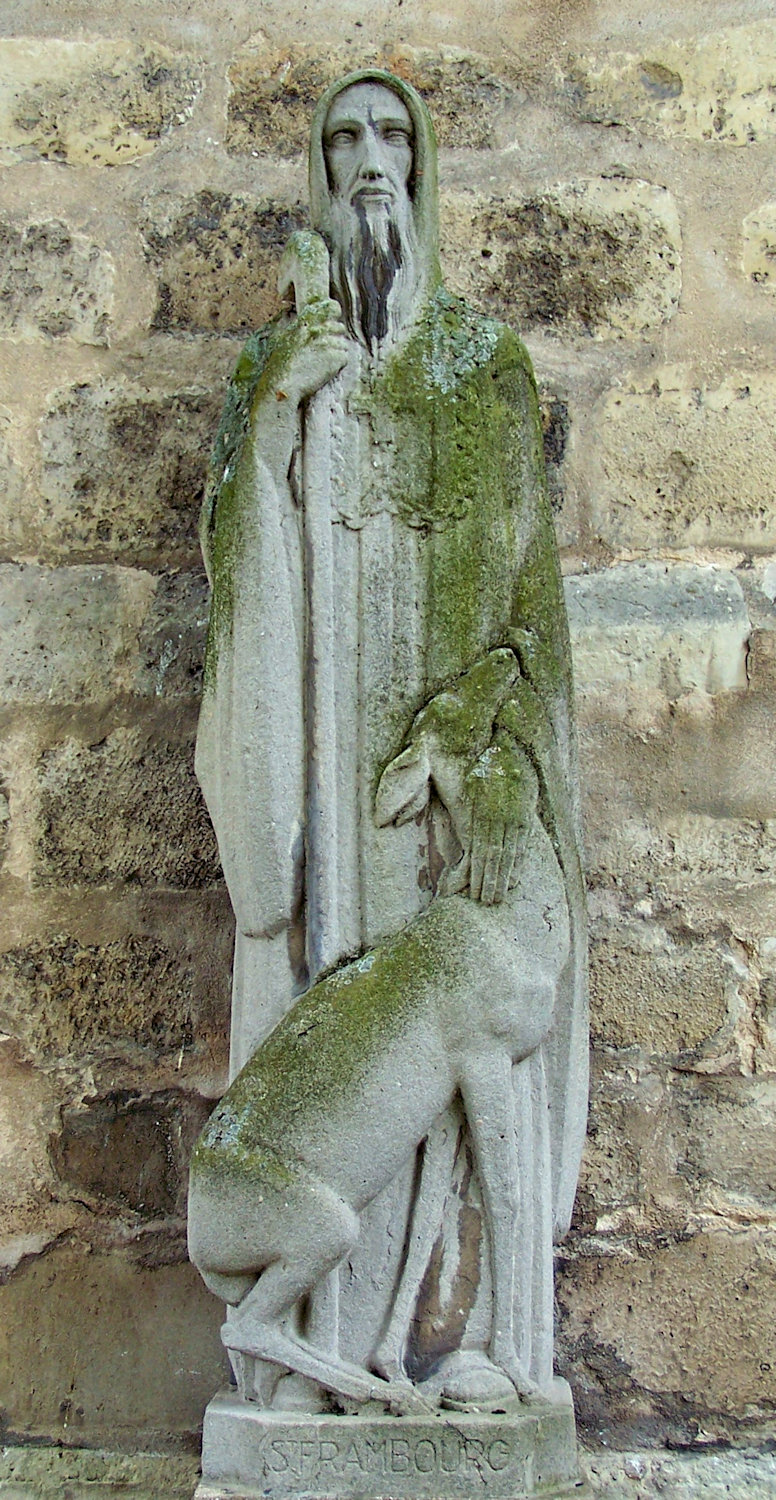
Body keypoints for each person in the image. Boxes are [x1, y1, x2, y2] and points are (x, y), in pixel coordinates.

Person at [190, 69, 587, 1411]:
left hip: (438, 788)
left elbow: (529, 615)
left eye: (392, 137)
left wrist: (470, 744)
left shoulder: (488, 367)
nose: (371, 162)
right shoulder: (270, 362)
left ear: (423, 167)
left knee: (454, 1033)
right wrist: (279, 419)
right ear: (318, 165)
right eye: (345, 138)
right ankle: (310, 1361)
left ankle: (448, 1330)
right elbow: (242, 578)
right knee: (327, 1031)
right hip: (316, 762)